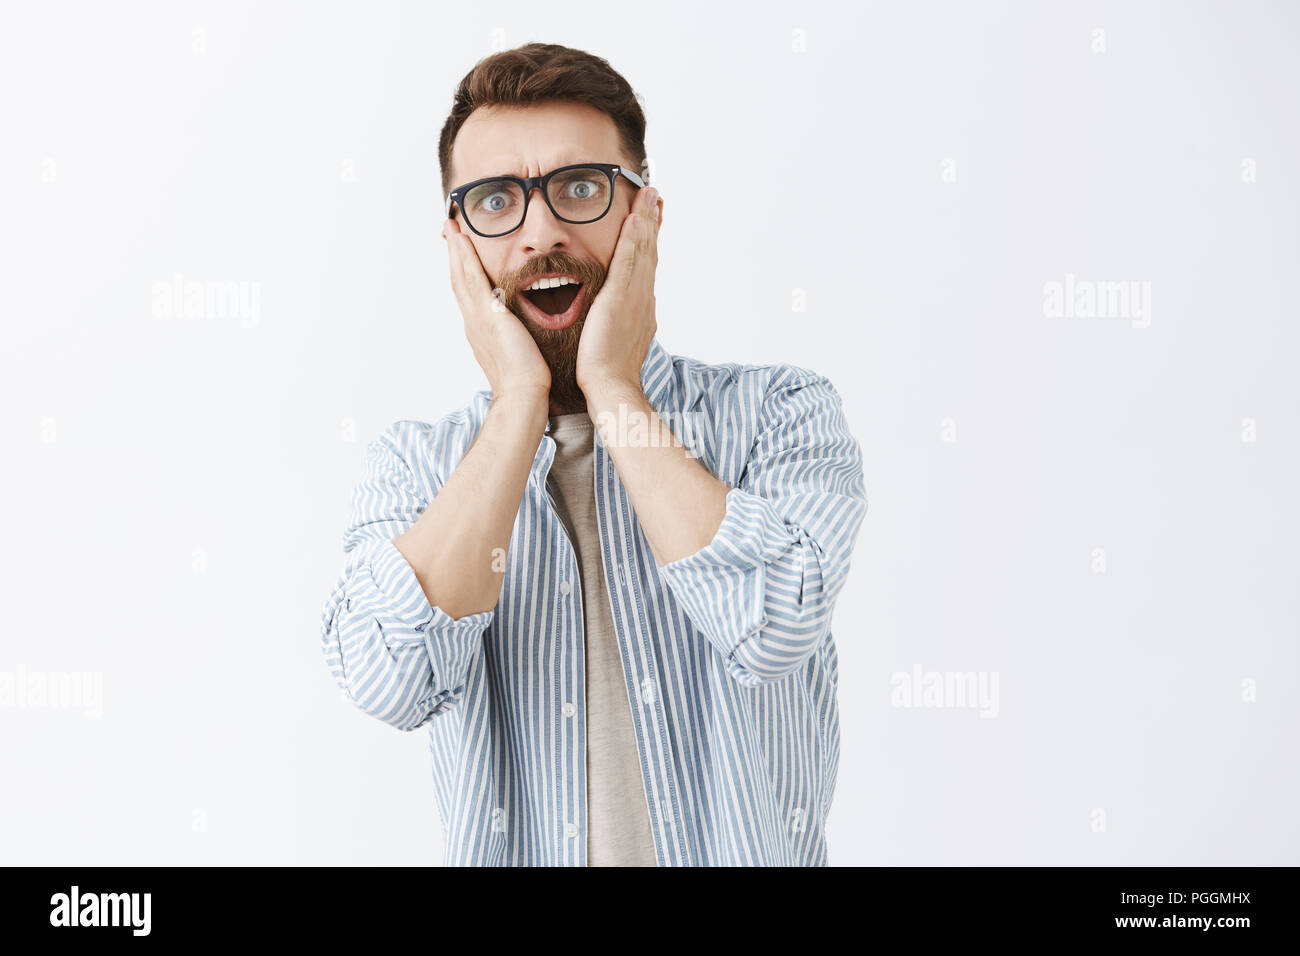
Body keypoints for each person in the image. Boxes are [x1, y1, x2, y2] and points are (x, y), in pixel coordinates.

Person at [320, 42, 868, 866]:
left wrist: (613, 385)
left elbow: (774, 627)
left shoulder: (778, 414)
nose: (541, 232)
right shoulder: (418, 467)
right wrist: (516, 407)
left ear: (643, 213)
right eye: (497, 200)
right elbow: (387, 681)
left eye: (581, 189)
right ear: (459, 245)